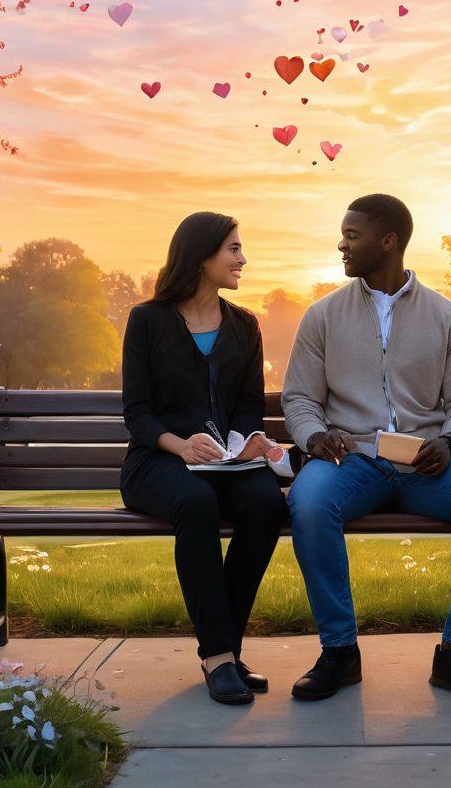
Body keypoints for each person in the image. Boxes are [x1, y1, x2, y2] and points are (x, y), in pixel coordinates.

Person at [282, 194, 451, 705]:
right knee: (307, 502)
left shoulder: (446, 316)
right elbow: (300, 398)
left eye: (352, 235)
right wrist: (314, 437)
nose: (342, 244)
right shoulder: (322, 316)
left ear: (387, 241)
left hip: (427, 466)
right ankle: (339, 652)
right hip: (349, 462)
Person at [120, 212, 289, 705]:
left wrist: (245, 445)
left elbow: (249, 404)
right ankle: (219, 657)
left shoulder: (245, 325)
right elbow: (137, 413)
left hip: (227, 465)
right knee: (195, 502)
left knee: (267, 505)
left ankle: (227, 653)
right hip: (159, 462)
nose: (243, 259)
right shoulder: (147, 320)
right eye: (233, 249)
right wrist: (181, 444)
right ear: (201, 256)